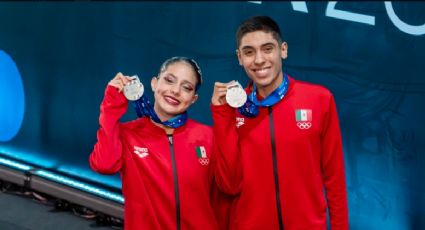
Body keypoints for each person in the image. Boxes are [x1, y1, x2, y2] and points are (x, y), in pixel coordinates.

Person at [211, 16, 349, 229]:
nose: (258, 60)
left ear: (282, 50)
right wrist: (221, 115)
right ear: (239, 57)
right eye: (249, 52)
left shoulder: (319, 99)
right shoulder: (233, 108)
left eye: (267, 49)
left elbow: (334, 178)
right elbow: (229, 185)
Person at [89, 57, 239, 229]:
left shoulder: (207, 136)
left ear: (193, 99)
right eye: (169, 80)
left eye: (186, 87)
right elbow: (104, 164)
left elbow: (231, 185)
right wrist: (111, 106)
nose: (175, 91)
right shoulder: (128, 134)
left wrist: (224, 116)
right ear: (154, 83)